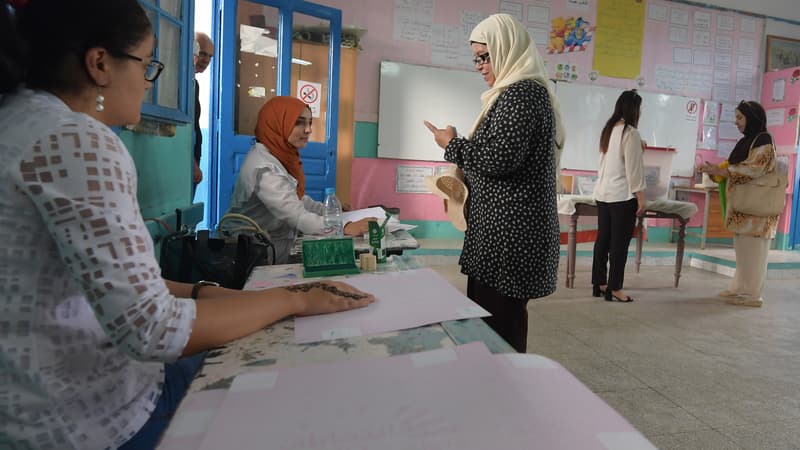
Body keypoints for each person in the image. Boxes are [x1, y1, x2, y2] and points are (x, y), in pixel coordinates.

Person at [0, 1, 374, 449]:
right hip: (85, 418)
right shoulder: (76, 140)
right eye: (147, 63)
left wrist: (219, 294)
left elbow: (100, 286)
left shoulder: (21, 120)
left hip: (38, 401)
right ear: (99, 64)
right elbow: (153, 329)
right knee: (293, 386)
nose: (147, 81)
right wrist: (292, 300)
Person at [423, 13, 564, 353]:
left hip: (510, 240)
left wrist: (451, 144)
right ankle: (496, 392)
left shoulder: (522, 95)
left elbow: (499, 160)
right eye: (476, 58)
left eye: (485, 56)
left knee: (499, 333)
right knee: (489, 328)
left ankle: (505, 396)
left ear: (507, 49)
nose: (480, 66)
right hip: (501, 236)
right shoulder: (512, 94)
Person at [226, 96, 375, 264]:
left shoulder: (279, 155)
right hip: (253, 249)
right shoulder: (264, 168)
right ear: (277, 124)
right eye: (299, 122)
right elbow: (297, 216)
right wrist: (345, 227)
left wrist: (333, 211)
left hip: (272, 240)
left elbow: (297, 200)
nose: (308, 130)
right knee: (334, 257)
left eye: (310, 122)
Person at [699, 100, 779, 308]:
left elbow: (754, 169)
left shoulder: (764, 140)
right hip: (744, 210)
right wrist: (718, 169)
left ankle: (752, 295)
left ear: (752, 118)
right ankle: (740, 288)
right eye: (736, 117)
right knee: (744, 253)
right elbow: (734, 165)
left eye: (740, 118)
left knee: (754, 254)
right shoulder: (748, 140)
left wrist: (722, 171)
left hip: (757, 212)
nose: (736, 122)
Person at [591, 90, 647, 303]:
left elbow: (609, 162)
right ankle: (614, 287)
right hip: (622, 196)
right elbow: (634, 169)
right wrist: (641, 196)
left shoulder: (608, 130)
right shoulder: (630, 133)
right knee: (619, 245)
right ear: (634, 109)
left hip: (603, 193)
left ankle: (600, 283)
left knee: (603, 240)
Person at [193, 31, 214, 187]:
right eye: (202, 53)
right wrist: (191, 163)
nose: (206, 60)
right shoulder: (184, 82)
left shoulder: (194, 84)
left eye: (210, 56)